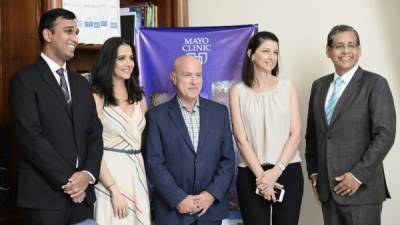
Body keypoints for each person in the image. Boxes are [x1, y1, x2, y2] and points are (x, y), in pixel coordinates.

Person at [9, 8, 103, 225]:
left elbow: (94, 133)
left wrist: (87, 175)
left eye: (76, 32)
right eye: (68, 31)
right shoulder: (25, 81)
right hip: (44, 199)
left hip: (82, 200)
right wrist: (71, 182)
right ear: (47, 35)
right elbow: (30, 138)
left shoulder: (81, 83)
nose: (75, 38)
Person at [305, 25, 396, 225]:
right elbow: (313, 136)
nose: (346, 51)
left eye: (351, 45)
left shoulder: (375, 84)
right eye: (339, 46)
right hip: (328, 192)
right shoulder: (319, 86)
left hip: (362, 192)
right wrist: (314, 172)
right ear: (328, 51)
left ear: (359, 50)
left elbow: (385, 134)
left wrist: (357, 176)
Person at [145, 55, 235, 225]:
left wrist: (210, 195)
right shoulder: (156, 116)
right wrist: (178, 198)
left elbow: (228, 161)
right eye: (187, 75)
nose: (194, 81)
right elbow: (154, 163)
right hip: (172, 213)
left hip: (210, 211)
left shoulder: (219, 113)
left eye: (198, 75)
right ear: (173, 78)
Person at [229, 31, 303, 225]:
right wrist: (263, 178)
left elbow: (295, 134)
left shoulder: (288, 87)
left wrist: (275, 172)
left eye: (276, 52)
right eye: (266, 51)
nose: (272, 57)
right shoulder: (237, 91)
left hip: (287, 170)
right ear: (251, 54)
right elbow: (240, 138)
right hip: (251, 172)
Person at [91, 37, 151, 225]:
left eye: (131, 58)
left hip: (137, 173)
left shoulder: (139, 96)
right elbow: (92, 146)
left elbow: (145, 139)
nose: (129, 63)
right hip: (109, 175)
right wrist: (113, 189)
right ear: (109, 61)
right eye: (121, 58)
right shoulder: (97, 96)